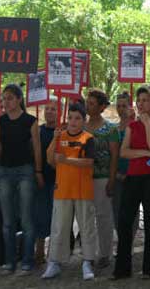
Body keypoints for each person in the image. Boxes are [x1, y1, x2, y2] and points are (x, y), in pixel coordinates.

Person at [112, 84, 150, 280]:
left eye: (145, 100)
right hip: (134, 176)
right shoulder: (131, 126)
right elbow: (124, 152)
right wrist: (145, 153)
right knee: (125, 220)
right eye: (139, 101)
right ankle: (122, 269)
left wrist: (146, 124)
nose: (141, 104)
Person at [41, 103, 97, 280]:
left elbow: (89, 162)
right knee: (58, 227)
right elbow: (50, 160)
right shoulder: (60, 136)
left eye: (78, 118)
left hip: (83, 190)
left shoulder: (88, 138)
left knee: (86, 227)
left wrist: (67, 160)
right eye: (71, 117)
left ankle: (88, 261)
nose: (73, 121)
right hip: (62, 189)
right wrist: (53, 140)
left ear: (84, 120)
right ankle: (54, 263)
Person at [0, 84, 42, 273]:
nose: (6, 102)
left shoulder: (30, 121)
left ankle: (27, 260)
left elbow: (37, 148)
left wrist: (38, 171)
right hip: (5, 171)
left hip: (25, 170)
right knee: (7, 220)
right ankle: (9, 261)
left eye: (9, 98)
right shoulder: (0, 121)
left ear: (19, 99)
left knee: (26, 219)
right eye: (3, 99)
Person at [85, 88, 119, 269]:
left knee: (104, 216)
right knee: (86, 217)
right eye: (87, 103)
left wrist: (111, 179)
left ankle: (105, 253)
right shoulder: (80, 127)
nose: (87, 106)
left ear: (101, 107)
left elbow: (114, 156)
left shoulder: (110, 129)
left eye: (91, 103)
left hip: (102, 177)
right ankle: (89, 253)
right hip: (83, 179)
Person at [33, 98, 58, 264]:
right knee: (40, 215)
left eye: (53, 109)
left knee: (57, 218)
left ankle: (54, 253)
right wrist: (38, 173)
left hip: (59, 180)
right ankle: (39, 251)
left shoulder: (64, 131)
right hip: (42, 178)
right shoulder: (38, 131)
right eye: (47, 108)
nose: (49, 111)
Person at [112, 92, 139, 235]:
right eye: (118, 106)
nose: (121, 108)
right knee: (116, 208)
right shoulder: (114, 128)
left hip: (132, 174)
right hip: (117, 174)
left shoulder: (136, 127)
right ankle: (121, 236)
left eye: (124, 105)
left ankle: (130, 239)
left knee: (131, 210)